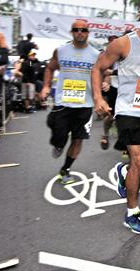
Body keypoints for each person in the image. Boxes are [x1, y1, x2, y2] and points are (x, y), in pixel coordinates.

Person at [92, 0, 140, 234]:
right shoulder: (124, 44)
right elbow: (98, 67)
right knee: (139, 159)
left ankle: (123, 172)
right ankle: (132, 213)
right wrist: (98, 98)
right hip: (130, 110)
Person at [39, 21, 99, 184]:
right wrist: (45, 86)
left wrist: (105, 82)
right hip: (63, 103)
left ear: (88, 32)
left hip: (85, 105)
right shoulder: (61, 51)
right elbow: (50, 68)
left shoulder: (95, 54)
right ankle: (58, 144)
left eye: (83, 30)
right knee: (58, 131)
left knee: (78, 139)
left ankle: (65, 170)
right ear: (71, 32)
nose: (80, 32)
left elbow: (102, 73)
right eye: (76, 30)